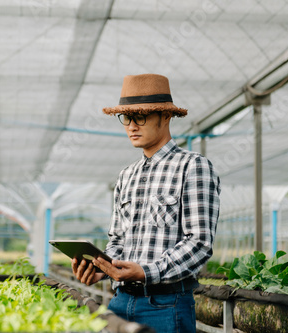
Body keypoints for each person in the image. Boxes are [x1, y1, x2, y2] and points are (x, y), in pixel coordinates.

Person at [71, 74, 221, 333]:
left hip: (166, 305)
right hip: (120, 303)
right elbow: (118, 240)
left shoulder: (193, 167)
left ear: (166, 116)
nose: (131, 125)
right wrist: (104, 269)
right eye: (126, 117)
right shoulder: (126, 175)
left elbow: (199, 243)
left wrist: (146, 272)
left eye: (140, 116)